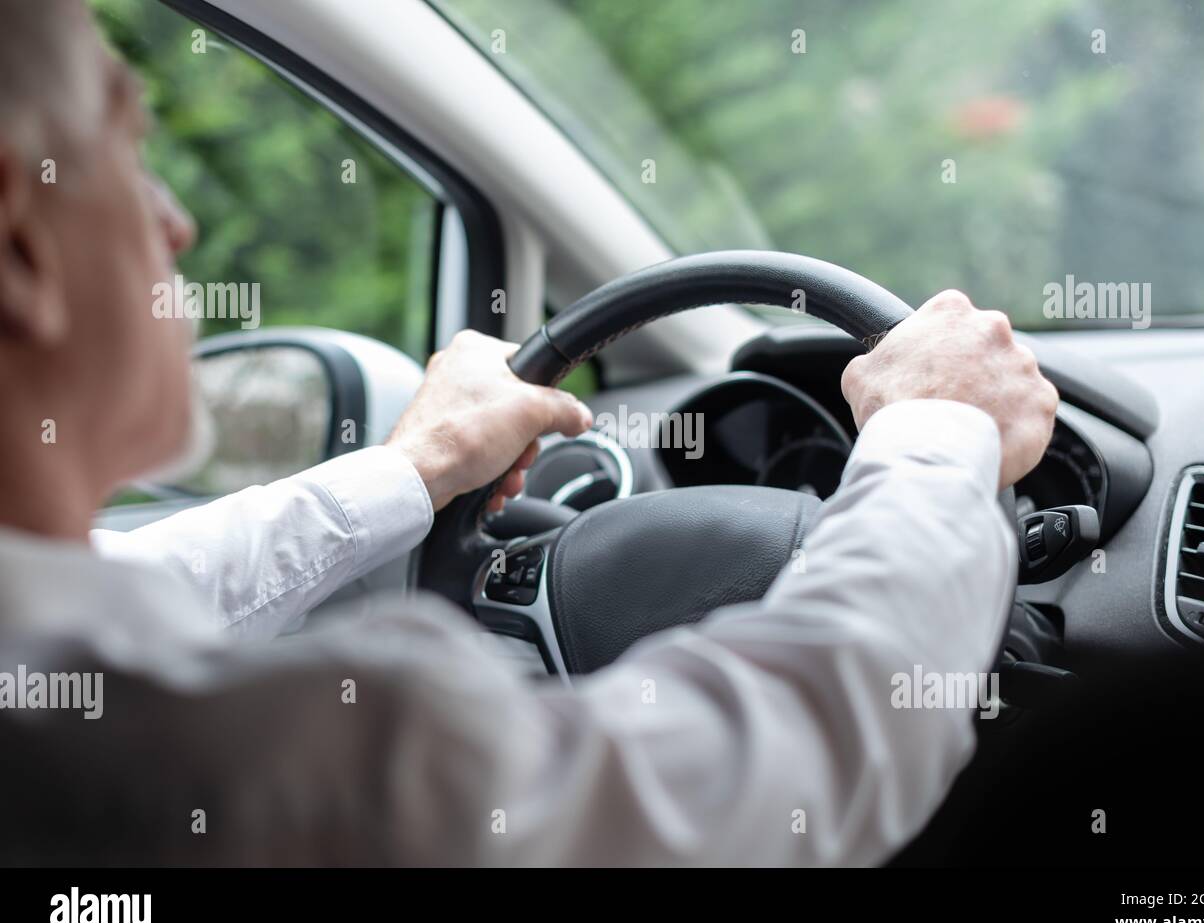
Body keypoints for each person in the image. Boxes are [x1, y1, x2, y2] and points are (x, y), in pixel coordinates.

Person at [0, 0, 1056, 865]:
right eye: (131, 149)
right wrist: (935, 434)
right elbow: (763, 771)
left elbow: (133, 585)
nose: (175, 222)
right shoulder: (248, 763)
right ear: (20, 250)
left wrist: (410, 470)